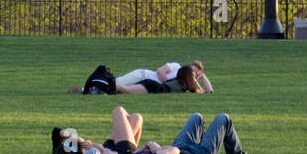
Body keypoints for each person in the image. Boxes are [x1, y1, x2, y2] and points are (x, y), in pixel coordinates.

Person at [99, 105, 258, 154]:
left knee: (196, 117)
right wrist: (153, 146)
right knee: (224, 118)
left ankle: (207, 145)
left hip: (184, 150)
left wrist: (142, 148)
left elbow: (103, 149)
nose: (109, 152)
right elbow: (172, 151)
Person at [70, 60, 212, 94]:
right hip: (148, 79)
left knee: (122, 89)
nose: (194, 75)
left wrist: (201, 76)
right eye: (193, 72)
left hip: (152, 84)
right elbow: (207, 92)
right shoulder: (177, 68)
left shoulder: (182, 82)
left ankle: (94, 86)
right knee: (122, 86)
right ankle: (93, 85)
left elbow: (205, 92)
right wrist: (200, 80)